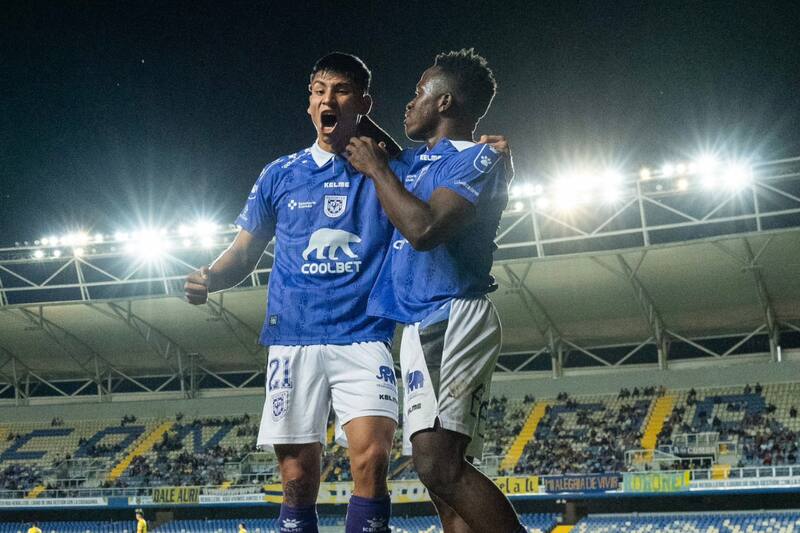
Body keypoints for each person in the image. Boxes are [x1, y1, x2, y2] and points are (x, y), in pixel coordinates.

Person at [184, 53, 404, 533]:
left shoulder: (389, 169)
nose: (328, 99)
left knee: (372, 457)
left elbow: (426, 193)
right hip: (293, 337)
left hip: (364, 334)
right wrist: (210, 278)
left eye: (342, 90)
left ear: (363, 103)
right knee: (297, 477)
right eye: (319, 90)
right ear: (309, 104)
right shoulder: (279, 174)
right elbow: (243, 255)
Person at [346, 49, 524, 533]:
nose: (407, 104)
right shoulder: (418, 163)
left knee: (438, 466)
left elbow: (425, 230)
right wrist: (344, 101)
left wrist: (379, 171)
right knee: (441, 487)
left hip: (451, 314)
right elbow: (361, 135)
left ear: (444, 101)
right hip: (422, 322)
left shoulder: (478, 158)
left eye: (417, 93)